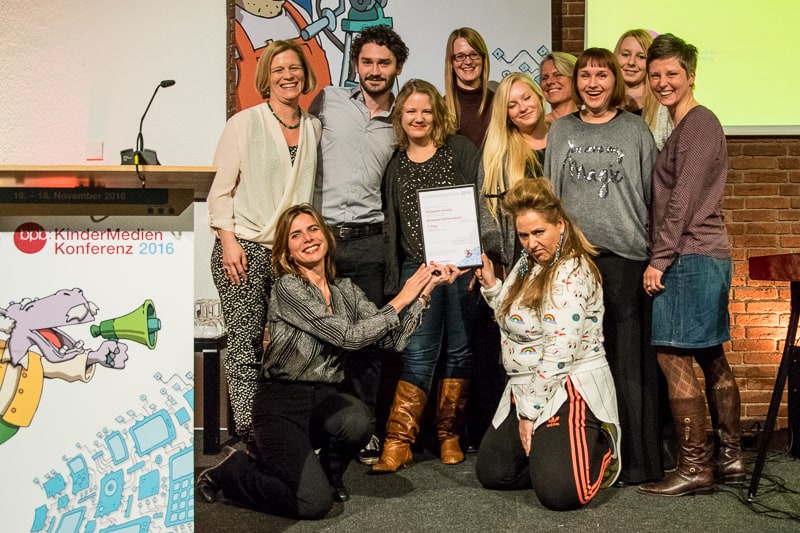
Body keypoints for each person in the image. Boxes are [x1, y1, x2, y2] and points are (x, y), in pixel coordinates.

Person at [196, 203, 455, 518]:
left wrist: (426, 291)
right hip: (281, 405)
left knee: (358, 422)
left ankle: (329, 476)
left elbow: (391, 339)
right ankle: (234, 472)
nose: (307, 238)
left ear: (327, 237)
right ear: (287, 251)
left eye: (313, 229)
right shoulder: (288, 288)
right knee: (312, 504)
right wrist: (404, 295)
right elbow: (349, 337)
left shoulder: (345, 291)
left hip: (323, 401)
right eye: (296, 235)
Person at [544, 48, 662, 486]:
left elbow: (653, 197)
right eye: (586, 76)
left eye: (602, 75)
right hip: (577, 262)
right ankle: (587, 453)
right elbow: (551, 197)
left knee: (628, 363)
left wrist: (658, 256)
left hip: (628, 260)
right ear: (577, 83)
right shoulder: (561, 130)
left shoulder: (634, 130)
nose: (593, 83)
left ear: (614, 81)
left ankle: (637, 461)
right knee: (581, 361)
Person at [473, 178, 620, 511]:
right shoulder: (528, 264)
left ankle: (600, 448)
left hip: (568, 385)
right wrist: (493, 285)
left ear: (560, 225)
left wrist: (528, 415)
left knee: (561, 495)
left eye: (539, 232)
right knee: (494, 473)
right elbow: (515, 322)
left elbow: (558, 353)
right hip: (526, 385)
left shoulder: (571, 272)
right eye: (524, 235)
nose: (531, 243)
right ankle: (551, 462)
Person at [639, 34, 743, 497]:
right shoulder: (685, 125)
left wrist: (659, 259)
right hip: (702, 254)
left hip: (690, 254)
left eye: (671, 74)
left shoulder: (699, 124)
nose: (662, 82)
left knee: (672, 354)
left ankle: (695, 467)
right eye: (655, 74)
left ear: (690, 75)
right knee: (710, 354)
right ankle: (731, 458)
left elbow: (681, 200)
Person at [207, 39, 319, 451]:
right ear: (265, 78)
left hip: (289, 254)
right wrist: (228, 239)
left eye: (294, 68)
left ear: (305, 76)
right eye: (278, 70)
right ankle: (245, 435)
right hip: (244, 247)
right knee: (245, 342)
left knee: (290, 346)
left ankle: (280, 430)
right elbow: (219, 191)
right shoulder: (244, 123)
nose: (288, 75)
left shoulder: (313, 127)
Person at [310, 24, 409, 466]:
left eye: (383, 63)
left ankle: (362, 430)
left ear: (398, 68)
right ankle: (316, 428)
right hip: (321, 240)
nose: (374, 70)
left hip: (371, 242)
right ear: (355, 65)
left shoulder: (404, 118)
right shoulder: (328, 102)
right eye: (366, 62)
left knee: (368, 342)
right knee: (317, 338)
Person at [373, 79, 480, 473]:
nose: (418, 118)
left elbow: (479, 201)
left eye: (426, 110)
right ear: (401, 116)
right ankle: (399, 441)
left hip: (462, 267)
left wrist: (475, 257)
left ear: (437, 113)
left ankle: (449, 434)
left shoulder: (460, 150)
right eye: (410, 111)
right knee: (417, 353)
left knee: (459, 350)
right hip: (416, 269)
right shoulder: (396, 163)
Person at [479, 72, 548, 272]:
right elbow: (488, 214)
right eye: (512, 105)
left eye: (526, 98)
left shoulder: (563, 140)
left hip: (566, 255)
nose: (523, 108)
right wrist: (499, 256)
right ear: (506, 114)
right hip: (522, 260)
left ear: (539, 96)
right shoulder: (498, 155)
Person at [613, 29, 673, 149]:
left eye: (641, 57)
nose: (631, 62)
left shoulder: (664, 109)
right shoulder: (602, 103)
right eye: (625, 55)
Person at [444, 27, 494, 148]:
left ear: (483, 58)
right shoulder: (441, 108)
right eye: (460, 56)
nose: (468, 62)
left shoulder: (498, 103)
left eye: (474, 54)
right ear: (451, 62)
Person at [539, 52, 577, 126]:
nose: (549, 82)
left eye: (558, 75)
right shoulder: (536, 127)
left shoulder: (590, 124)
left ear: (575, 79)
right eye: (545, 78)